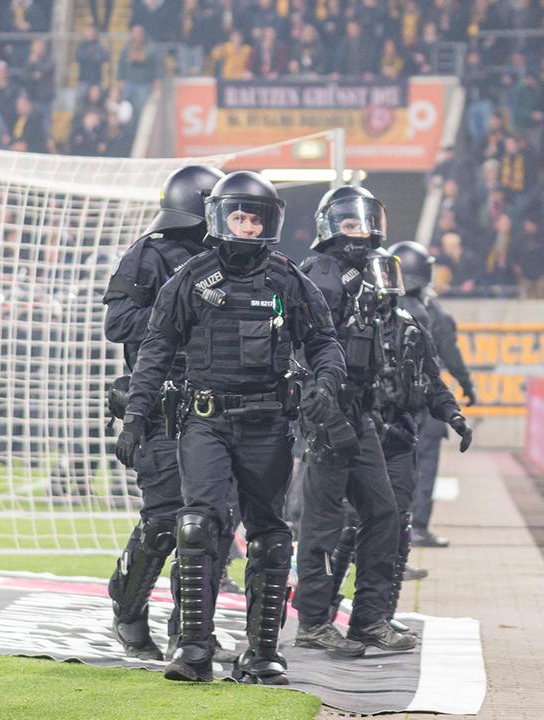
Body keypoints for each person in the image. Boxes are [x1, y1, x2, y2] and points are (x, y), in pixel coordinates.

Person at [118, 171, 346, 685]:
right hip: (204, 420)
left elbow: (325, 343)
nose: (246, 227)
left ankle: (263, 652)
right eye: (238, 217)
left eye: (255, 219)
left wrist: (324, 386)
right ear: (221, 219)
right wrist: (136, 415)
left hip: (268, 421)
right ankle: (192, 648)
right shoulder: (190, 278)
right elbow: (154, 348)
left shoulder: (289, 280)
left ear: (269, 223)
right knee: (197, 526)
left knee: (269, 536)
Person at [102, 164, 223, 662]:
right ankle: (127, 611)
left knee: (212, 521)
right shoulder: (150, 253)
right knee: (163, 521)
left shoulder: (231, 258)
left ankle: (189, 630)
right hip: (161, 404)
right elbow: (117, 321)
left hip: (216, 405)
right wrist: (176, 310)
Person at [294, 186, 418, 656]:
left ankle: (368, 620)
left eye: (365, 223)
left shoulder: (372, 275)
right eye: (349, 224)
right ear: (329, 228)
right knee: (322, 522)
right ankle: (312, 622)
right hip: (327, 409)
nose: (361, 232)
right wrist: (319, 409)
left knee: (383, 513)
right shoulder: (321, 276)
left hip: (361, 409)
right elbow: (301, 350)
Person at [366, 248, 471, 629]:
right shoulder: (420, 314)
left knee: (383, 521)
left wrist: (451, 408)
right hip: (385, 424)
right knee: (378, 519)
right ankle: (364, 616)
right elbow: (439, 367)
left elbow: (427, 372)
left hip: (390, 422)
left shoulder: (401, 316)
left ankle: (371, 616)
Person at [389, 241, 476, 547]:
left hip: (393, 404)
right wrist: (466, 385)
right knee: (423, 466)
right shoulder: (429, 312)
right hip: (426, 401)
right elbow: (446, 354)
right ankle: (418, 527)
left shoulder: (383, 305)